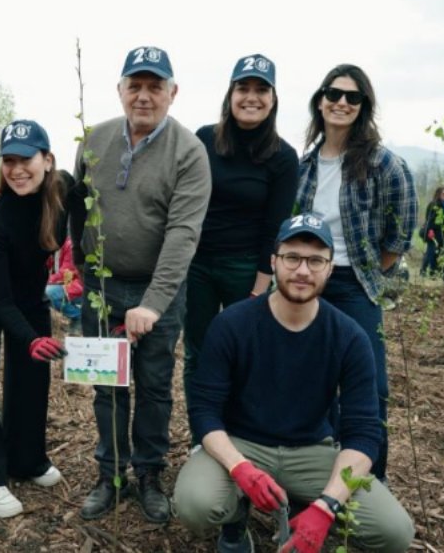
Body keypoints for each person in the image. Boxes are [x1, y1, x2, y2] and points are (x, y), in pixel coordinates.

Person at [174, 213, 415, 553]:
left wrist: (328, 505)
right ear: (273, 261)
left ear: (330, 268)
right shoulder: (232, 325)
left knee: (394, 531)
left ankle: (309, 507)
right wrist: (239, 467)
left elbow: (363, 432)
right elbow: (204, 411)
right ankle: (235, 515)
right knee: (195, 504)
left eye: (316, 260)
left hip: (313, 450)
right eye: (292, 257)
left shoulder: (348, 336)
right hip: (242, 444)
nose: (303, 270)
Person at [70, 46, 211, 524]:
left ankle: (149, 474)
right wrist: (81, 270)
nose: (145, 96)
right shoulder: (95, 139)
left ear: (173, 93)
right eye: (136, 85)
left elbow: (183, 234)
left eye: (156, 87)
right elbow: (78, 209)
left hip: (159, 291)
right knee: (106, 385)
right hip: (102, 286)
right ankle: (110, 473)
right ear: (120, 90)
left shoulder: (189, 152)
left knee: (153, 385)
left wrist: (152, 303)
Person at [296, 64, 417, 481]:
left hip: (355, 284)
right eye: (333, 94)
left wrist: (364, 269)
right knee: (317, 381)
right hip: (310, 284)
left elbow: (400, 234)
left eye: (353, 97)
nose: (341, 103)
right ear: (320, 100)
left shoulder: (384, 164)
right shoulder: (305, 165)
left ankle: (372, 478)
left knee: (368, 385)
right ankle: (326, 472)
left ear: (364, 106)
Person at [0, 120, 71, 518]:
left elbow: (93, 214)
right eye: (9, 160)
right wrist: (29, 337)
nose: (17, 169)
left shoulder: (63, 192)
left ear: (48, 159)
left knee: (32, 376)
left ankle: (27, 459)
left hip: (29, 294)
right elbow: (0, 301)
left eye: (26, 159)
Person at [182, 53, 298, 444]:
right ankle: (203, 437)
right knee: (198, 352)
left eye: (261, 89)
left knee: (243, 352)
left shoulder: (283, 157)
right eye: (243, 88)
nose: (252, 97)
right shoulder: (203, 139)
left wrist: (260, 286)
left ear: (273, 98)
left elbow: (275, 227)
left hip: (246, 268)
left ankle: (241, 436)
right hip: (197, 265)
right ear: (230, 95)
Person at [45, 236, 83, 333]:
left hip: (77, 287)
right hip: (68, 284)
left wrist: (44, 281)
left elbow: (65, 274)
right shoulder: (54, 248)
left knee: (48, 293)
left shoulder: (69, 245)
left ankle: (79, 316)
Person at [419, 186, 444, 277]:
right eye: (443, 194)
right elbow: (428, 219)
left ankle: (437, 272)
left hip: (442, 234)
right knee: (431, 251)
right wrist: (430, 230)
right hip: (432, 232)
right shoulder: (434, 204)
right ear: (438, 194)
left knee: (438, 252)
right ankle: (425, 272)